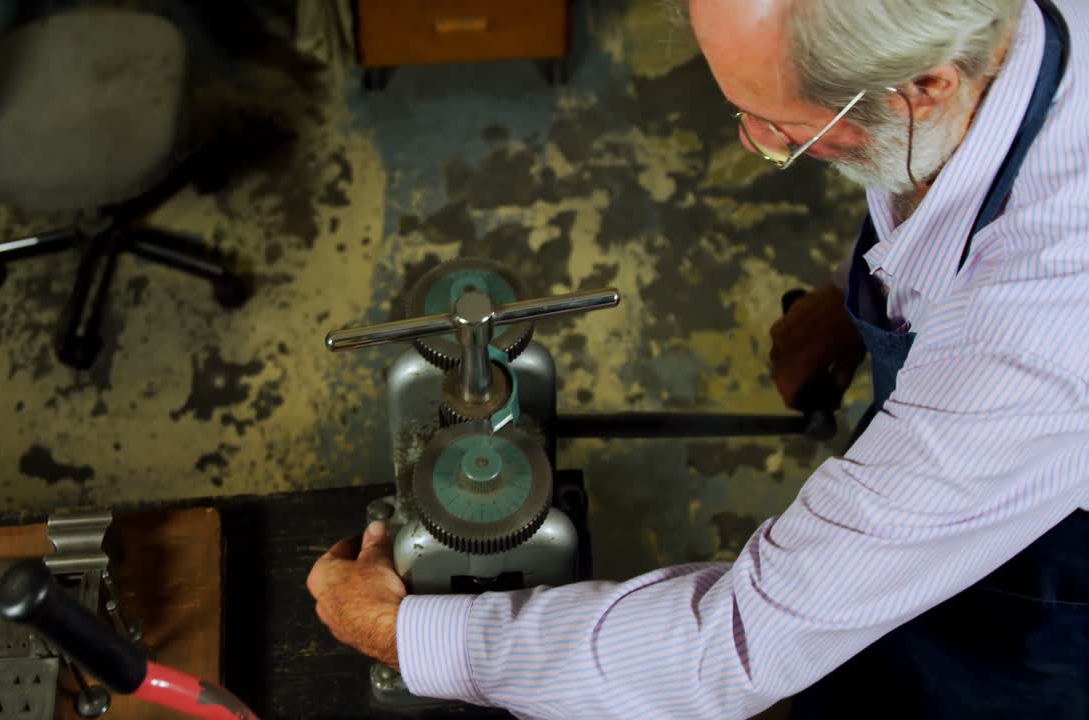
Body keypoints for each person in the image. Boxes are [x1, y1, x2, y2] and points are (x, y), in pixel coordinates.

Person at [307, 0, 1089, 717]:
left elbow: (736, 644)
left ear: (924, 86)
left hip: (1022, 617)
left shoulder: (1030, 341)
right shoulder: (989, 33)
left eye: (783, 130)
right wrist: (869, 300)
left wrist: (403, 634)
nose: (752, 143)